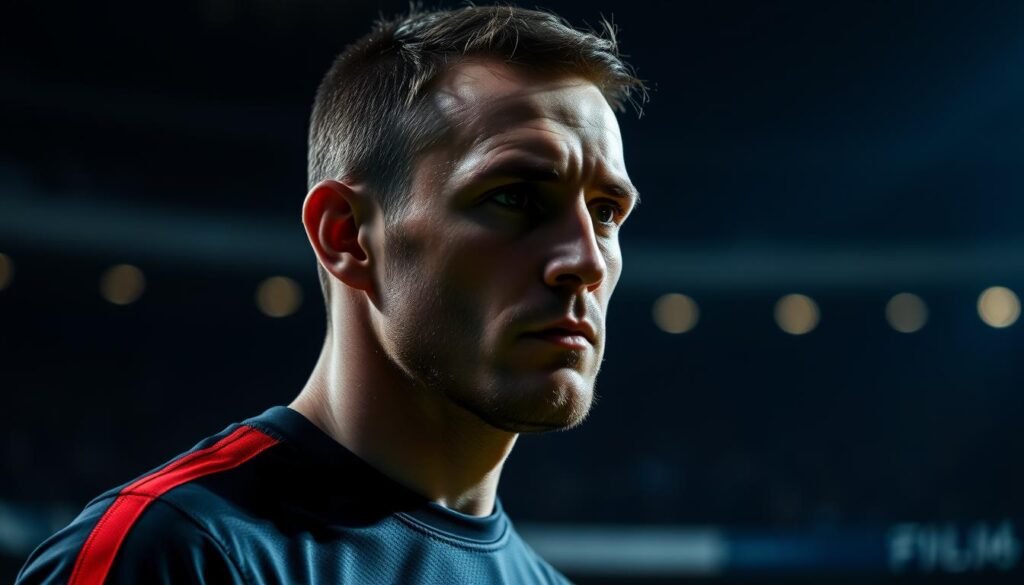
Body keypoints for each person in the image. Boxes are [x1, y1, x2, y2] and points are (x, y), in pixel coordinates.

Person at [16, 5, 645, 584]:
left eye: (606, 213)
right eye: (514, 196)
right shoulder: (172, 555)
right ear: (347, 235)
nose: (586, 260)